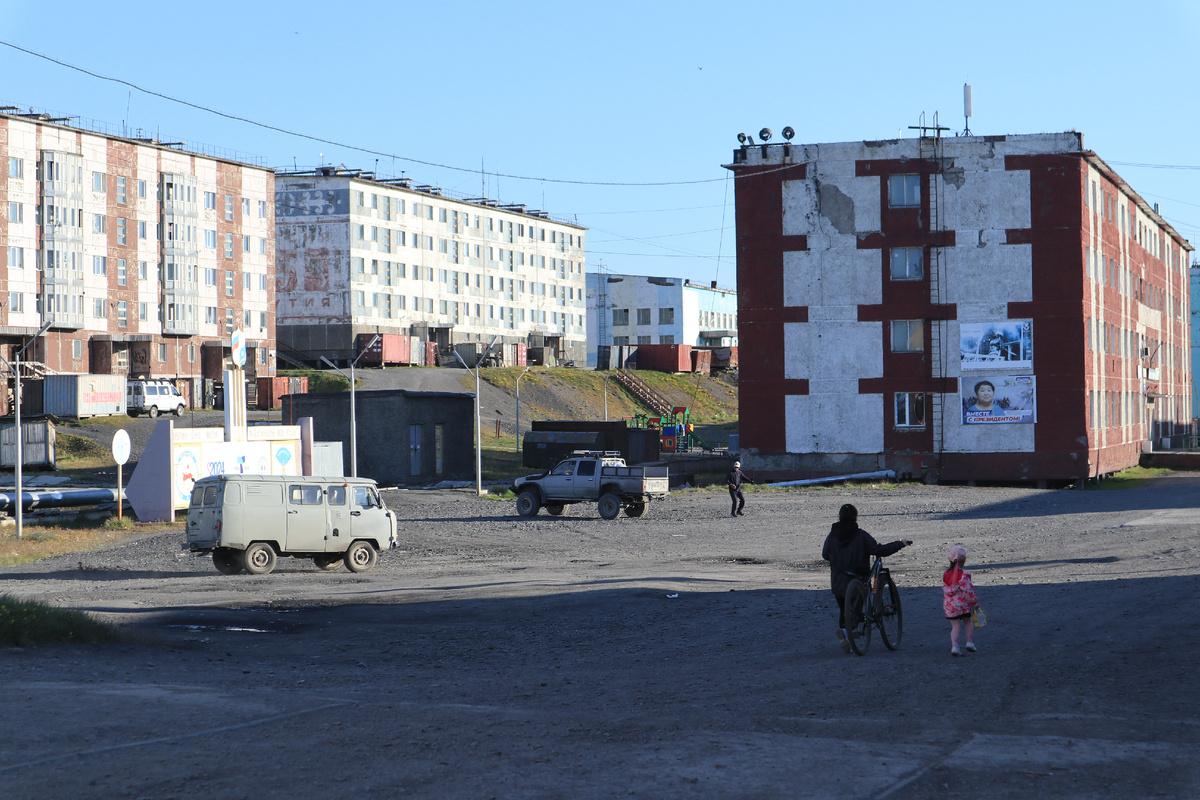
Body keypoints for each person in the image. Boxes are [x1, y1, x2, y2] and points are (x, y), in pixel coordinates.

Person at [822, 504, 911, 653]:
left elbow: (825, 555)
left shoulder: (832, 535)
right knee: (856, 610)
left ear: (839, 517)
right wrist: (899, 544)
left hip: (838, 580)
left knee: (844, 611)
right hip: (858, 579)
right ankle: (846, 634)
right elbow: (879, 550)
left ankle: (845, 632)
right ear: (856, 517)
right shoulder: (861, 535)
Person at [943, 545, 980, 656]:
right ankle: (969, 642)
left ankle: (955, 647)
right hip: (963, 605)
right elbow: (968, 592)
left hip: (950, 606)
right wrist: (975, 603)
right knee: (968, 622)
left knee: (955, 626)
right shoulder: (964, 576)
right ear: (964, 560)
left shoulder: (945, 574)